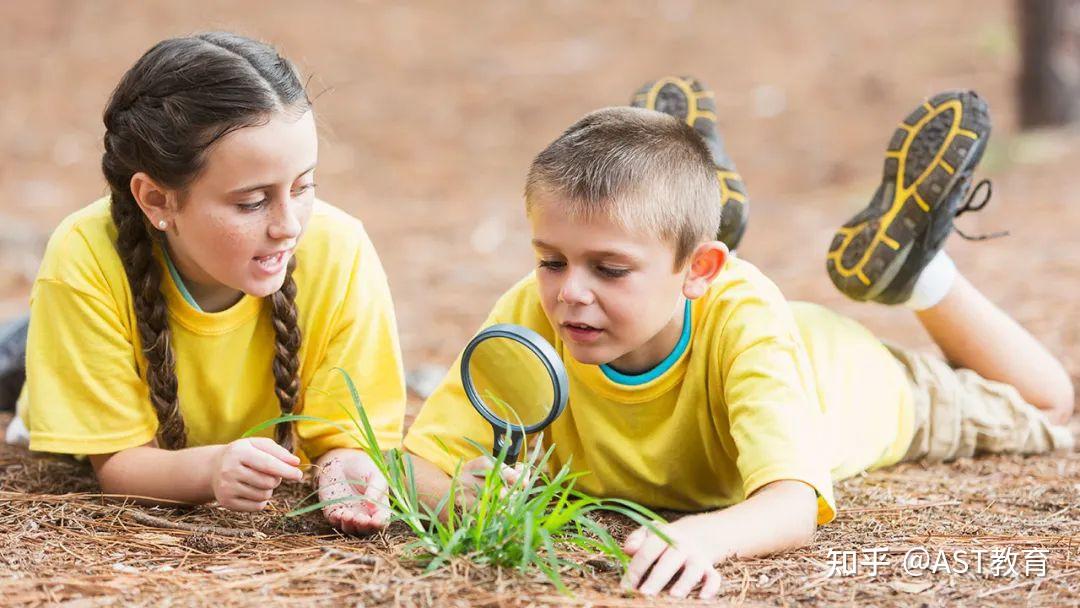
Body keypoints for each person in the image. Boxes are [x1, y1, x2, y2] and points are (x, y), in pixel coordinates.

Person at [401, 79, 1075, 599]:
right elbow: (418, 462)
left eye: (608, 268)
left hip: (846, 376)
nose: (568, 291)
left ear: (701, 273)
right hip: (721, 330)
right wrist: (461, 489)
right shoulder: (530, 310)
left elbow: (791, 507)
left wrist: (705, 534)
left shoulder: (747, 320)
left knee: (1048, 402)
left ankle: (920, 273)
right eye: (551, 260)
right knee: (675, 307)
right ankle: (679, 235)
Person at [6, 32, 406, 535]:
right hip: (71, 352)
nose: (289, 225)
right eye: (251, 202)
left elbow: (340, 438)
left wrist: (343, 470)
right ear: (156, 200)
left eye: (304, 187)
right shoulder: (82, 258)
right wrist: (211, 470)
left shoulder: (341, 249)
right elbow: (119, 462)